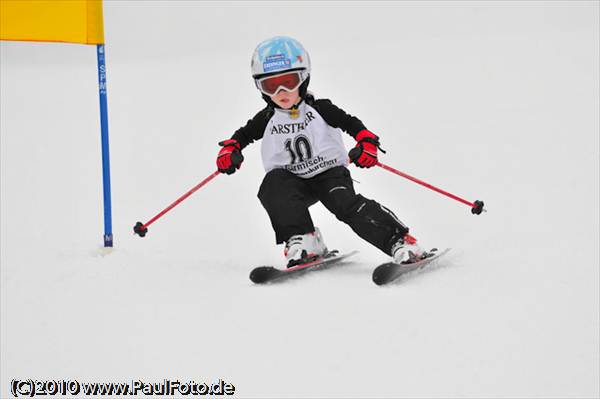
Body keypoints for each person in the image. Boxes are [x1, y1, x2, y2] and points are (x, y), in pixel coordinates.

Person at [216, 36, 424, 267]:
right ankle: (306, 241)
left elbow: (350, 123)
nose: (282, 91)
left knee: (344, 204)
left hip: (329, 174)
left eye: (289, 81)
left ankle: (400, 241)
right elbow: (243, 135)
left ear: (304, 78)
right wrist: (230, 150)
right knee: (272, 186)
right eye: (271, 86)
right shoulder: (267, 117)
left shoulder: (319, 108)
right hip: (293, 181)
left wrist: (366, 143)